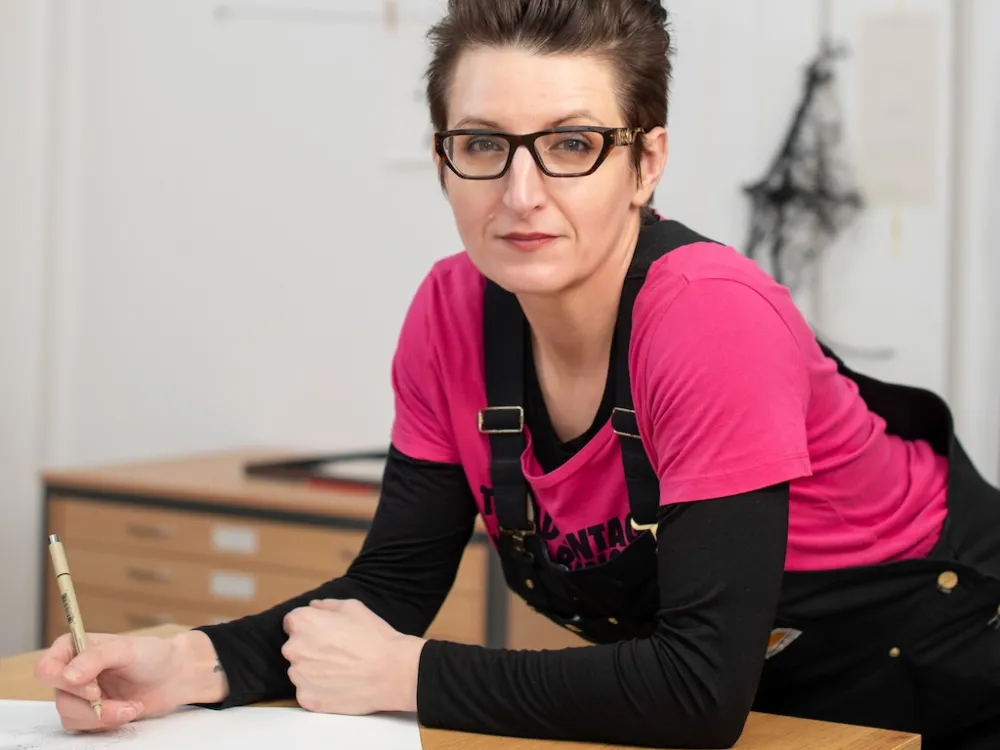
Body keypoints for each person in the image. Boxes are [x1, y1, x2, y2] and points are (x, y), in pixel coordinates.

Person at [34, 1, 1000, 748]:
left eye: (573, 144)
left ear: (646, 162)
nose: (522, 194)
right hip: (764, 702)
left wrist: (409, 677)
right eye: (485, 145)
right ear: (445, 159)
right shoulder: (449, 312)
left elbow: (699, 691)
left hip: (947, 664)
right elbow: (390, 591)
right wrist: (184, 664)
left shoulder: (709, 316)